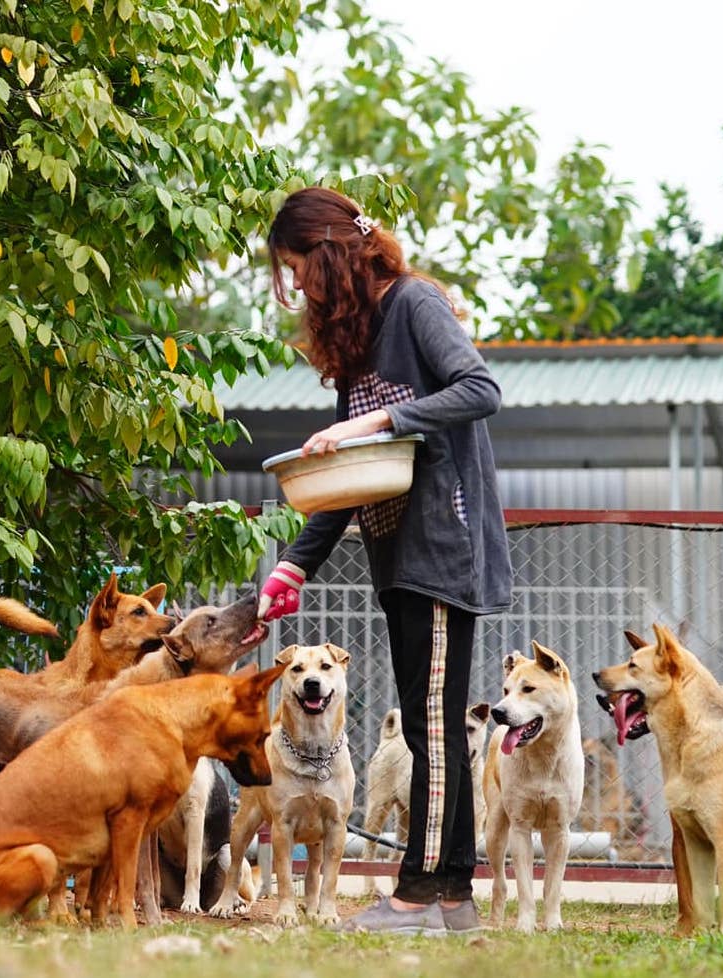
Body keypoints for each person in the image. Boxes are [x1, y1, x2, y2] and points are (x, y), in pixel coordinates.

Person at [253, 187, 511, 935]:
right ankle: (454, 899)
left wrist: (379, 415)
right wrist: (292, 567)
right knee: (433, 730)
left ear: (329, 253)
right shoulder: (360, 340)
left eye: (298, 265)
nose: (296, 283)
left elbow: (479, 388)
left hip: (441, 548)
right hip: (395, 556)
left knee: (429, 729)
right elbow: (348, 475)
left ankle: (418, 896)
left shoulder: (413, 304)